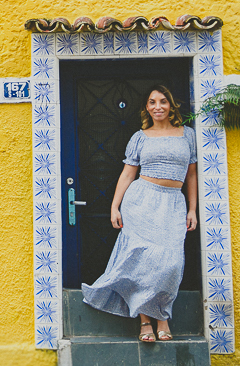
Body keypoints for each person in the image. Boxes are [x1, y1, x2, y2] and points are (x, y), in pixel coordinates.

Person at [79, 84, 198, 343]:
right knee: (142, 262)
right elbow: (128, 173)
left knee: (171, 263)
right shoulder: (140, 137)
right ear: (146, 107)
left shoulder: (187, 135)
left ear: (171, 106)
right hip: (141, 201)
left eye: (163, 101)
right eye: (152, 102)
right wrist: (114, 206)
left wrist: (192, 209)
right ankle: (146, 321)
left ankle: (162, 315)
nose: (158, 106)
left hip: (172, 205)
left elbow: (191, 174)